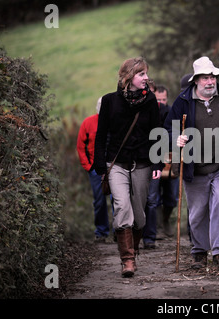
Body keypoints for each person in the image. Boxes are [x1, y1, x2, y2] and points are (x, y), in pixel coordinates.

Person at [164, 56, 219, 269]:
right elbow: (168, 129)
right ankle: (199, 251)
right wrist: (176, 139)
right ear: (196, 80)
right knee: (198, 211)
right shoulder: (183, 101)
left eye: (212, 76)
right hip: (194, 168)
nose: (210, 81)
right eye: (205, 78)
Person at [94, 57, 162, 277]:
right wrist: (100, 164)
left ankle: (132, 248)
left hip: (142, 163)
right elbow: (101, 134)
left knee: (139, 216)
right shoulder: (109, 101)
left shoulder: (150, 100)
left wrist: (158, 162)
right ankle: (128, 260)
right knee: (122, 207)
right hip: (116, 163)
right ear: (128, 77)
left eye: (146, 74)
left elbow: (156, 134)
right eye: (142, 74)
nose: (146, 78)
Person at [143, 84, 179, 248]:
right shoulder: (147, 111)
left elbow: (174, 132)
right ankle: (153, 230)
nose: (161, 102)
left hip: (170, 158)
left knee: (171, 195)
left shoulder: (170, 111)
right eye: (159, 99)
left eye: (164, 99)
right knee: (153, 196)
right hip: (152, 159)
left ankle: (165, 221)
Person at [76, 97, 110, 242]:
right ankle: (101, 232)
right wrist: (88, 167)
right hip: (96, 169)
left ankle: (120, 232)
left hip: (115, 167)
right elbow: (80, 147)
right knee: (99, 201)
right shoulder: (88, 123)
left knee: (119, 201)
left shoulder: (115, 123)